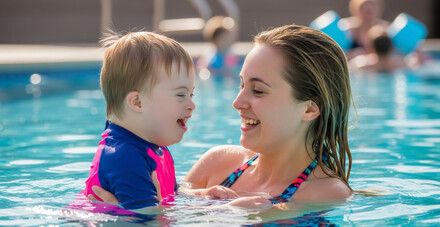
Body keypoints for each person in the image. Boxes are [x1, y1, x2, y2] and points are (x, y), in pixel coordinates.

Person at [90, 24, 356, 209]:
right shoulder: (216, 164)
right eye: (241, 85)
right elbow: (168, 206)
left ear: (310, 108)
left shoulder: (324, 194)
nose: (237, 102)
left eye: (258, 90)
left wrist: (126, 219)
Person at [81, 31, 197, 211]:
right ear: (138, 102)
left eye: (191, 94)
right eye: (181, 95)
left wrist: (205, 196)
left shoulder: (153, 146)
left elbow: (172, 194)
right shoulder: (124, 157)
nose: (192, 104)